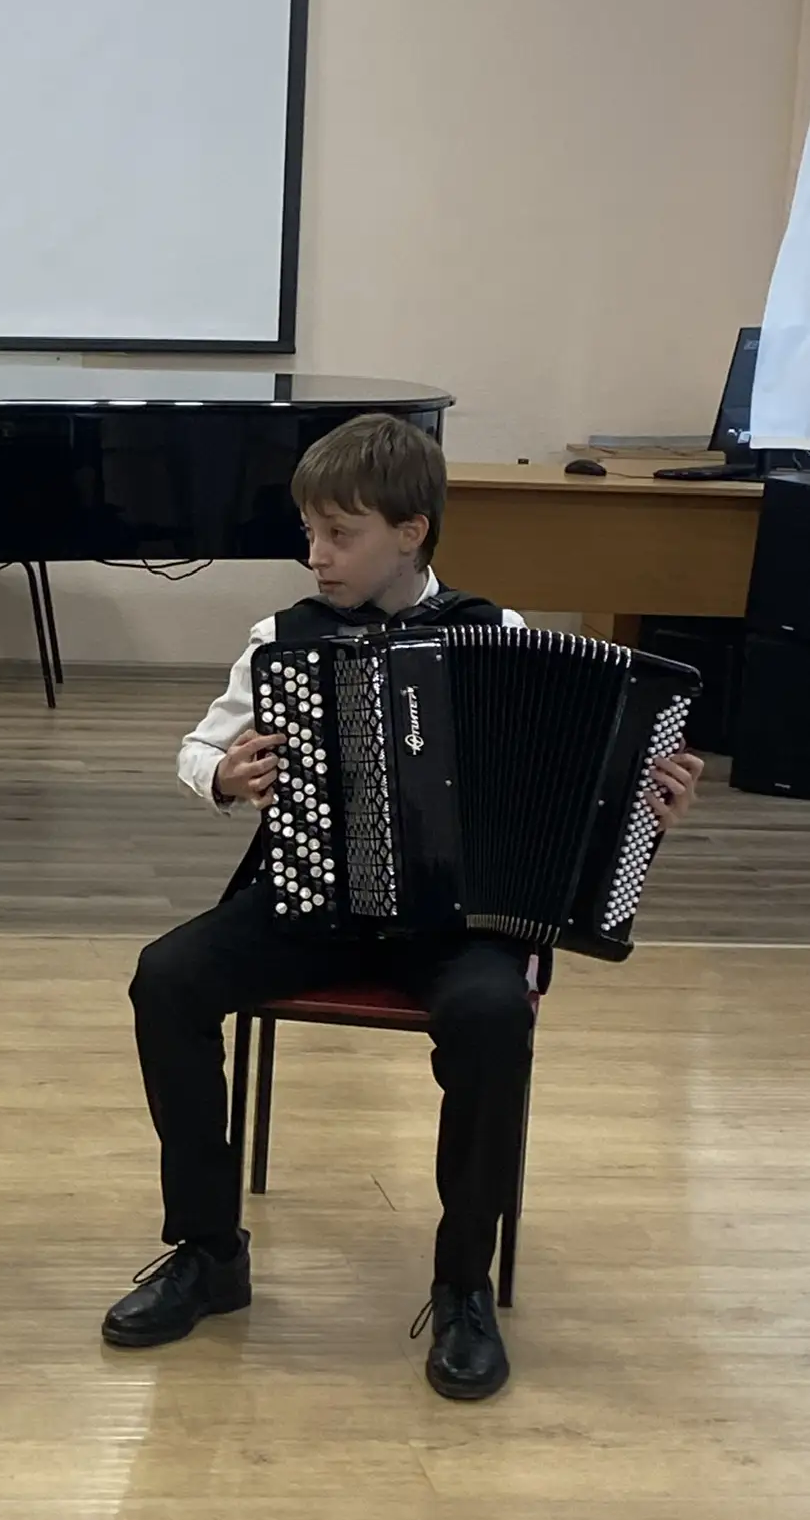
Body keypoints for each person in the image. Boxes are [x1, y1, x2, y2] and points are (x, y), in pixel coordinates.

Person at [102, 413, 704, 1399]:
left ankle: (462, 1284)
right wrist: (224, 775)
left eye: (340, 535)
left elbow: (574, 797)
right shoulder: (282, 639)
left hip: (456, 924)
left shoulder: (497, 636)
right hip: (310, 900)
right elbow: (198, 747)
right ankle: (209, 1251)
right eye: (310, 532)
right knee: (165, 978)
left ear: (411, 532)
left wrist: (646, 806)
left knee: (492, 1013)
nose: (316, 554)